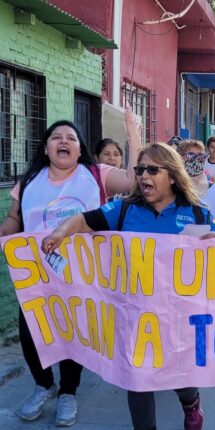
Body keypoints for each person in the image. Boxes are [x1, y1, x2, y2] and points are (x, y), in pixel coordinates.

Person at [40, 143, 215, 430]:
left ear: (172, 176)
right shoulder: (124, 209)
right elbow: (85, 221)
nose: (142, 175)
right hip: (135, 316)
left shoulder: (197, 213)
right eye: (139, 169)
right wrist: (61, 232)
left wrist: (212, 244)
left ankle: (191, 404)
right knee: (138, 380)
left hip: (179, 317)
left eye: (151, 169)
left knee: (182, 378)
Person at [0, 112, 141, 426]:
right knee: (30, 333)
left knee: (74, 334)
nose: (63, 141)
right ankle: (43, 384)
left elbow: (133, 182)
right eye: (56, 138)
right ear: (46, 148)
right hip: (36, 276)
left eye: (71, 138)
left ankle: (68, 393)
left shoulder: (96, 174)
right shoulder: (28, 182)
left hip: (81, 277)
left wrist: (133, 135)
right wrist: (6, 230)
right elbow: (14, 218)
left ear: (79, 150)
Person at [178, 140, 215, 239]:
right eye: (191, 155)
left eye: (200, 156)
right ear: (180, 158)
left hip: (207, 250)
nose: (196, 159)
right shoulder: (172, 189)